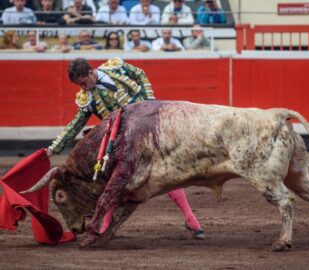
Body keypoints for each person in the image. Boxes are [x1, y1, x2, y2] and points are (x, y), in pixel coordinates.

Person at [47, 57, 205, 239]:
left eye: (84, 83)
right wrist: (54, 148)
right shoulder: (86, 98)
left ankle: (190, 218)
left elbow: (140, 74)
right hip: (122, 142)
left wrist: (150, 102)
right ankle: (104, 226)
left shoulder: (115, 66)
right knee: (115, 181)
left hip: (147, 131)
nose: (83, 88)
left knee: (164, 172)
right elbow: (75, 125)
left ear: (90, 72)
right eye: (79, 86)